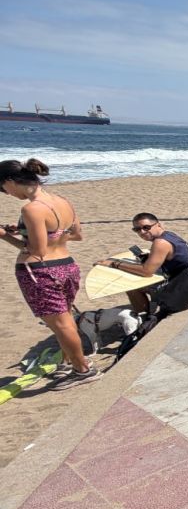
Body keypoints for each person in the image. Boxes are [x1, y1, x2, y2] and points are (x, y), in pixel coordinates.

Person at [1, 158, 96, 387]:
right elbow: (75, 235)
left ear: (11, 182)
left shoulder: (31, 208)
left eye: (3, 189)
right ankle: (70, 362)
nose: (6, 194)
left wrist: (4, 236)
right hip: (67, 266)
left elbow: (38, 250)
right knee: (65, 320)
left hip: (42, 272)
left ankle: (82, 369)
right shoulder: (62, 201)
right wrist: (26, 231)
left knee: (60, 323)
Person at [96, 213, 188, 316]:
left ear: (158, 225)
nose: (142, 232)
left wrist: (115, 264)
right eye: (137, 229)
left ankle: (143, 318)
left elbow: (147, 271)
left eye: (146, 227)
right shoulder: (169, 235)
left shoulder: (160, 243)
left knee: (133, 287)